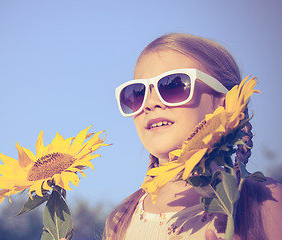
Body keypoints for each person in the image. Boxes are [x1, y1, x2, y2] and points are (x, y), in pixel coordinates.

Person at [103, 33, 282, 240]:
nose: (150, 102)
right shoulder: (121, 220)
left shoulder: (264, 202)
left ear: (225, 103)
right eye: (137, 93)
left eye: (173, 85)